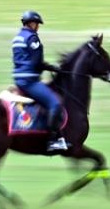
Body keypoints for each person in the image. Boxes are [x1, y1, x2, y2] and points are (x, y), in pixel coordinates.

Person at [12, 10, 68, 152]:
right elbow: (37, 62)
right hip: (29, 81)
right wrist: (52, 68)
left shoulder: (17, 38)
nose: (37, 27)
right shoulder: (32, 38)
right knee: (55, 103)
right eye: (37, 24)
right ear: (31, 23)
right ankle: (52, 141)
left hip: (19, 78)